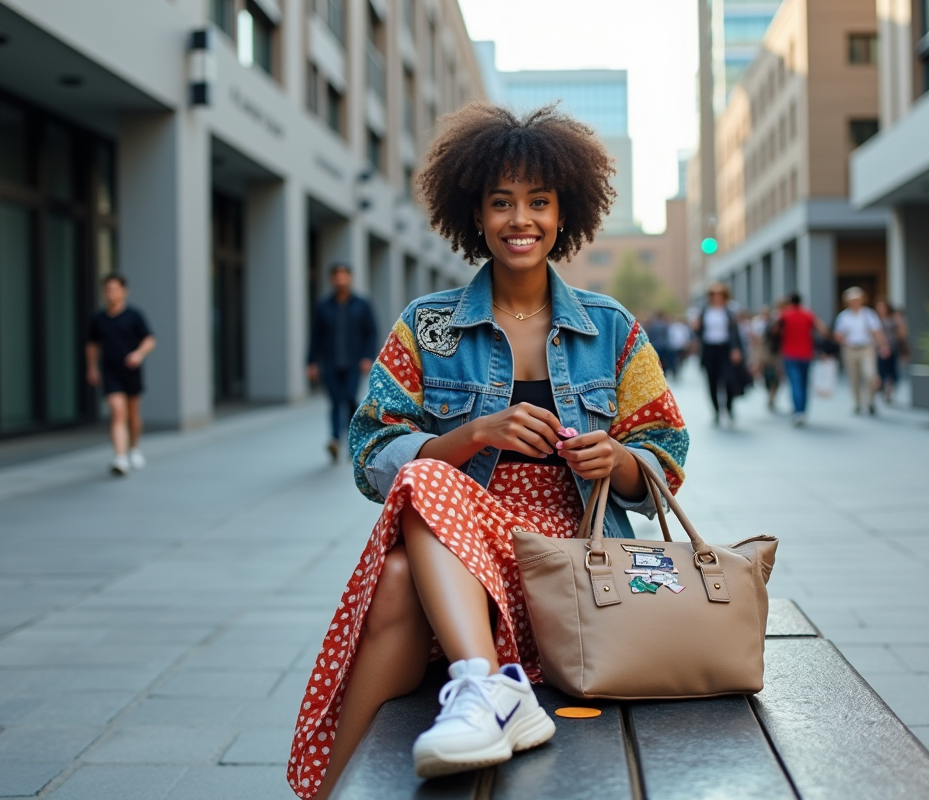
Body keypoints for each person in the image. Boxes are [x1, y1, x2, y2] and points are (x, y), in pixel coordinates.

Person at [287, 103, 689, 800]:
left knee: (401, 561)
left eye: (538, 201)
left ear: (565, 213)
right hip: (463, 569)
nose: (520, 219)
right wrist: (471, 435)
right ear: (475, 214)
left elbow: (666, 450)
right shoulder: (429, 325)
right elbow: (370, 448)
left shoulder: (611, 327)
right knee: (421, 495)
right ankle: (477, 691)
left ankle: (478, 694)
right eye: (501, 203)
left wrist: (616, 462)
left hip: (571, 569)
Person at [307, 264, 379, 462]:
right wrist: (311, 362)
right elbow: (316, 336)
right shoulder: (323, 306)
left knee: (349, 399)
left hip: (354, 363)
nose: (340, 280)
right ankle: (334, 440)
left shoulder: (361, 305)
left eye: (343, 276)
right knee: (335, 401)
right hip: (330, 363)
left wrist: (367, 357)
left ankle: (352, 440)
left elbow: (371, 333)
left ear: (349, 278)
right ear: (332, 279)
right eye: (336, 277)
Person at [86, 274, 156, 476]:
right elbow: (92, 345)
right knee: (118, 413)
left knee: (133, 415)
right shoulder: (98, 318)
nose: (110, 293)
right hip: (110, 371)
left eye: (114, 289)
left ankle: (134, 449)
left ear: (124, 291)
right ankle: (120, 457)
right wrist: (91, 368)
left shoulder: (134, 316)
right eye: (107, 289)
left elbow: (150, 339)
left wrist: (139, 354)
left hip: (131, 370)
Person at [833, 287, 890, 415]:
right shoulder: (844, 316)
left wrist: (883, 345)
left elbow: (877, 332)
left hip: (866, 348)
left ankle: (870, 401)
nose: (855, 302)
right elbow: (838, 334)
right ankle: (857, 403)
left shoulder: (869, 314)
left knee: (870, 375)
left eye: (858, 299)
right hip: (850, 349)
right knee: (854, 377)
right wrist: (844, 341)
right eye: (853, 300)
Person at [697, 283, 744, 427]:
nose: (717, 297)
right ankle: (716, 411)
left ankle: (729, 408)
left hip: (725, 349)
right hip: (710, 349)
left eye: (720, 294)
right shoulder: (705, 311)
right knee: (712, 381)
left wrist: (736, 349)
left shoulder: (729, 311)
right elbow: (699, 333)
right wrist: (696, 328)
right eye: (714, 294)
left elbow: (735, 332)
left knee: (728, 380)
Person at [777, 292, 828, 426]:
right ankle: (803, 411)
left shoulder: (785, 315)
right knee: (804, 384)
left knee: (795, 383)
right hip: (806, 354)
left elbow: (775, 331)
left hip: (789, 353)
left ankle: (797, 411)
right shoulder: (808, 314)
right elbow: (823, 329)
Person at [873, 297, 908, 404]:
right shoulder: (874, 319)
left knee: (892, 372)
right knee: (879, 372)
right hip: (878, 350)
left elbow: (902, 335)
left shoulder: (893, 319)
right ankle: (880, 391)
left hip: (893, 348)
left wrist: (901, 321)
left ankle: (889, 393)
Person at [750, 303, 782, 411]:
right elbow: (753, 337)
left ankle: (772, 396)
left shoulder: (774, 323)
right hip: (762, 352)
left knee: (776, 376)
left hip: (774, 352)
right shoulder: (757, 322)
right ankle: (769, 391)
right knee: (765, 374)